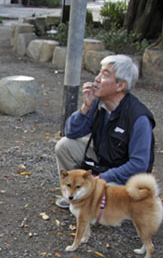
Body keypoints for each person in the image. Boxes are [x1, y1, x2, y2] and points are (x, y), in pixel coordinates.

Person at [55, 54, 155, 207]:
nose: (96, 79)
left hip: (126, 178)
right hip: (103, 160)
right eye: (99, 73)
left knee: (106, 207)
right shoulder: (98, 104)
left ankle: (100, 200)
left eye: (104, 75)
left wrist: (102, 178)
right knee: (64, 146)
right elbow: (71, 132)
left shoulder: (138, 117)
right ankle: (75, 195)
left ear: (120, 85)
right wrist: (85, 107)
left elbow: (139, 165)